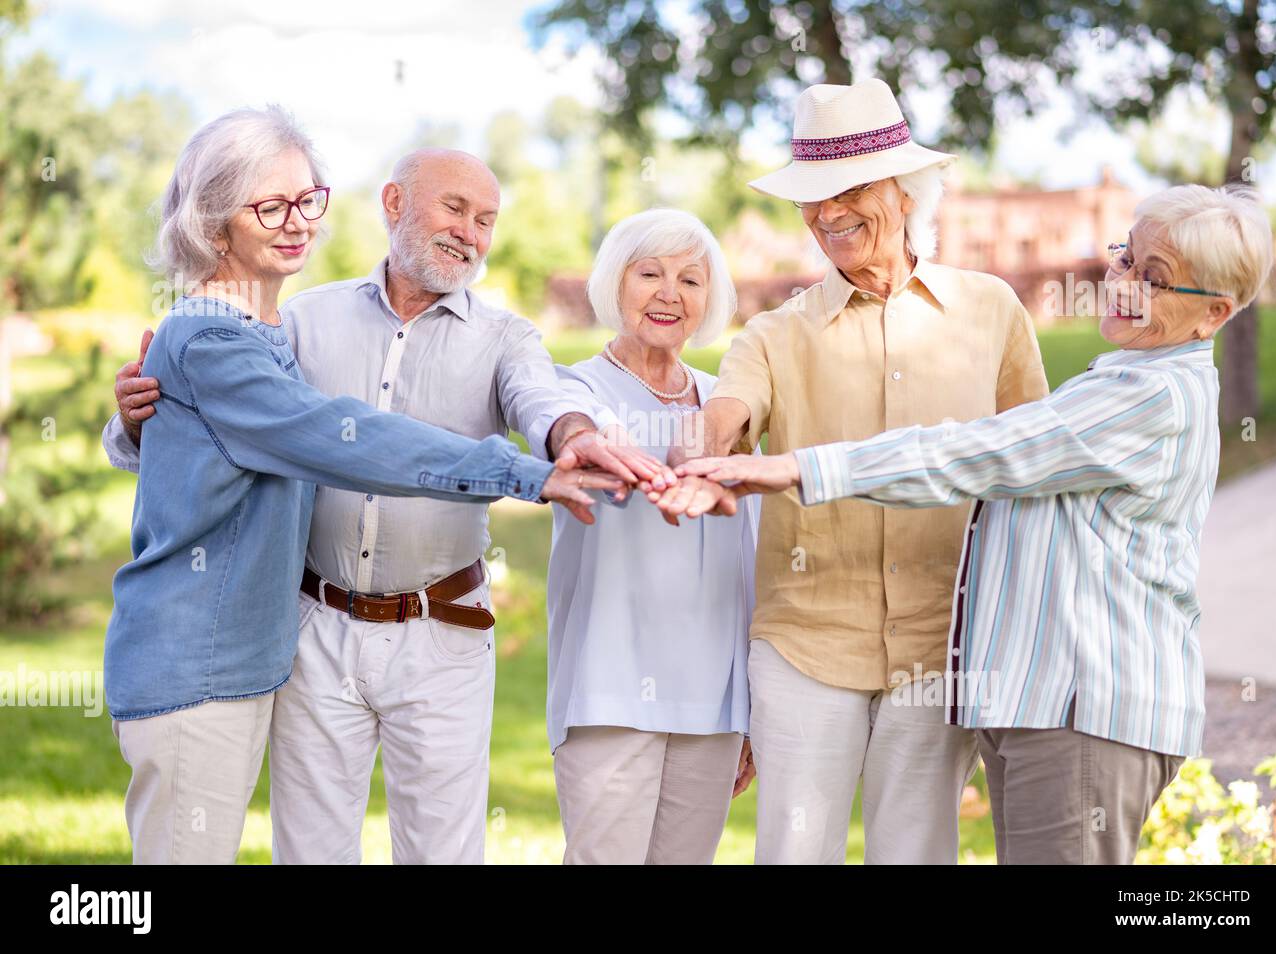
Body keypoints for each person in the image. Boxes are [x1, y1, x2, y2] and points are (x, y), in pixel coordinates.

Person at [678, 183, 1275, 865]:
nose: (1124, 284)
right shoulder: (1118, 382)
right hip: (1042, 712)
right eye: (1126, 259)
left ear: (1213, 316)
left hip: (1085, 713)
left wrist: (796, 471)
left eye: (1156, 278)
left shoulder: (1148, 399)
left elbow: (980, 453)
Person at [103, 107, 627, 865]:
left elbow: (541, 400)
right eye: (454, 207)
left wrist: (569, 440)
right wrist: (522, 474)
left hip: (398, 634)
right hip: (268, 643)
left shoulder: (495, 335)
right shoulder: (277, 326)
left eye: (306, 199)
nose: (296, 222)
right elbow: (333, 436)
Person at [653, 79, 1049, 864]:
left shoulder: (991, 309)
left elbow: (1035, 462)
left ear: (906, 194)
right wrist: (697, 451)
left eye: (850, 190)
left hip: (943, 642)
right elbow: (727, 412)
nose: (828, 213)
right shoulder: (773, 333)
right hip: (808, 643)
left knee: (916, 851)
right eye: (812, 197)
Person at [541, 209, 758, 864]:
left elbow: (754, 554)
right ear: (617, 283)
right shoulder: (576, 391)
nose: (670, 293)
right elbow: (586, 445)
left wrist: (752, 708)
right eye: (650, 274)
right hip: (610, 686)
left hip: (714, 698)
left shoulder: (730, 402)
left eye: (691, 280)